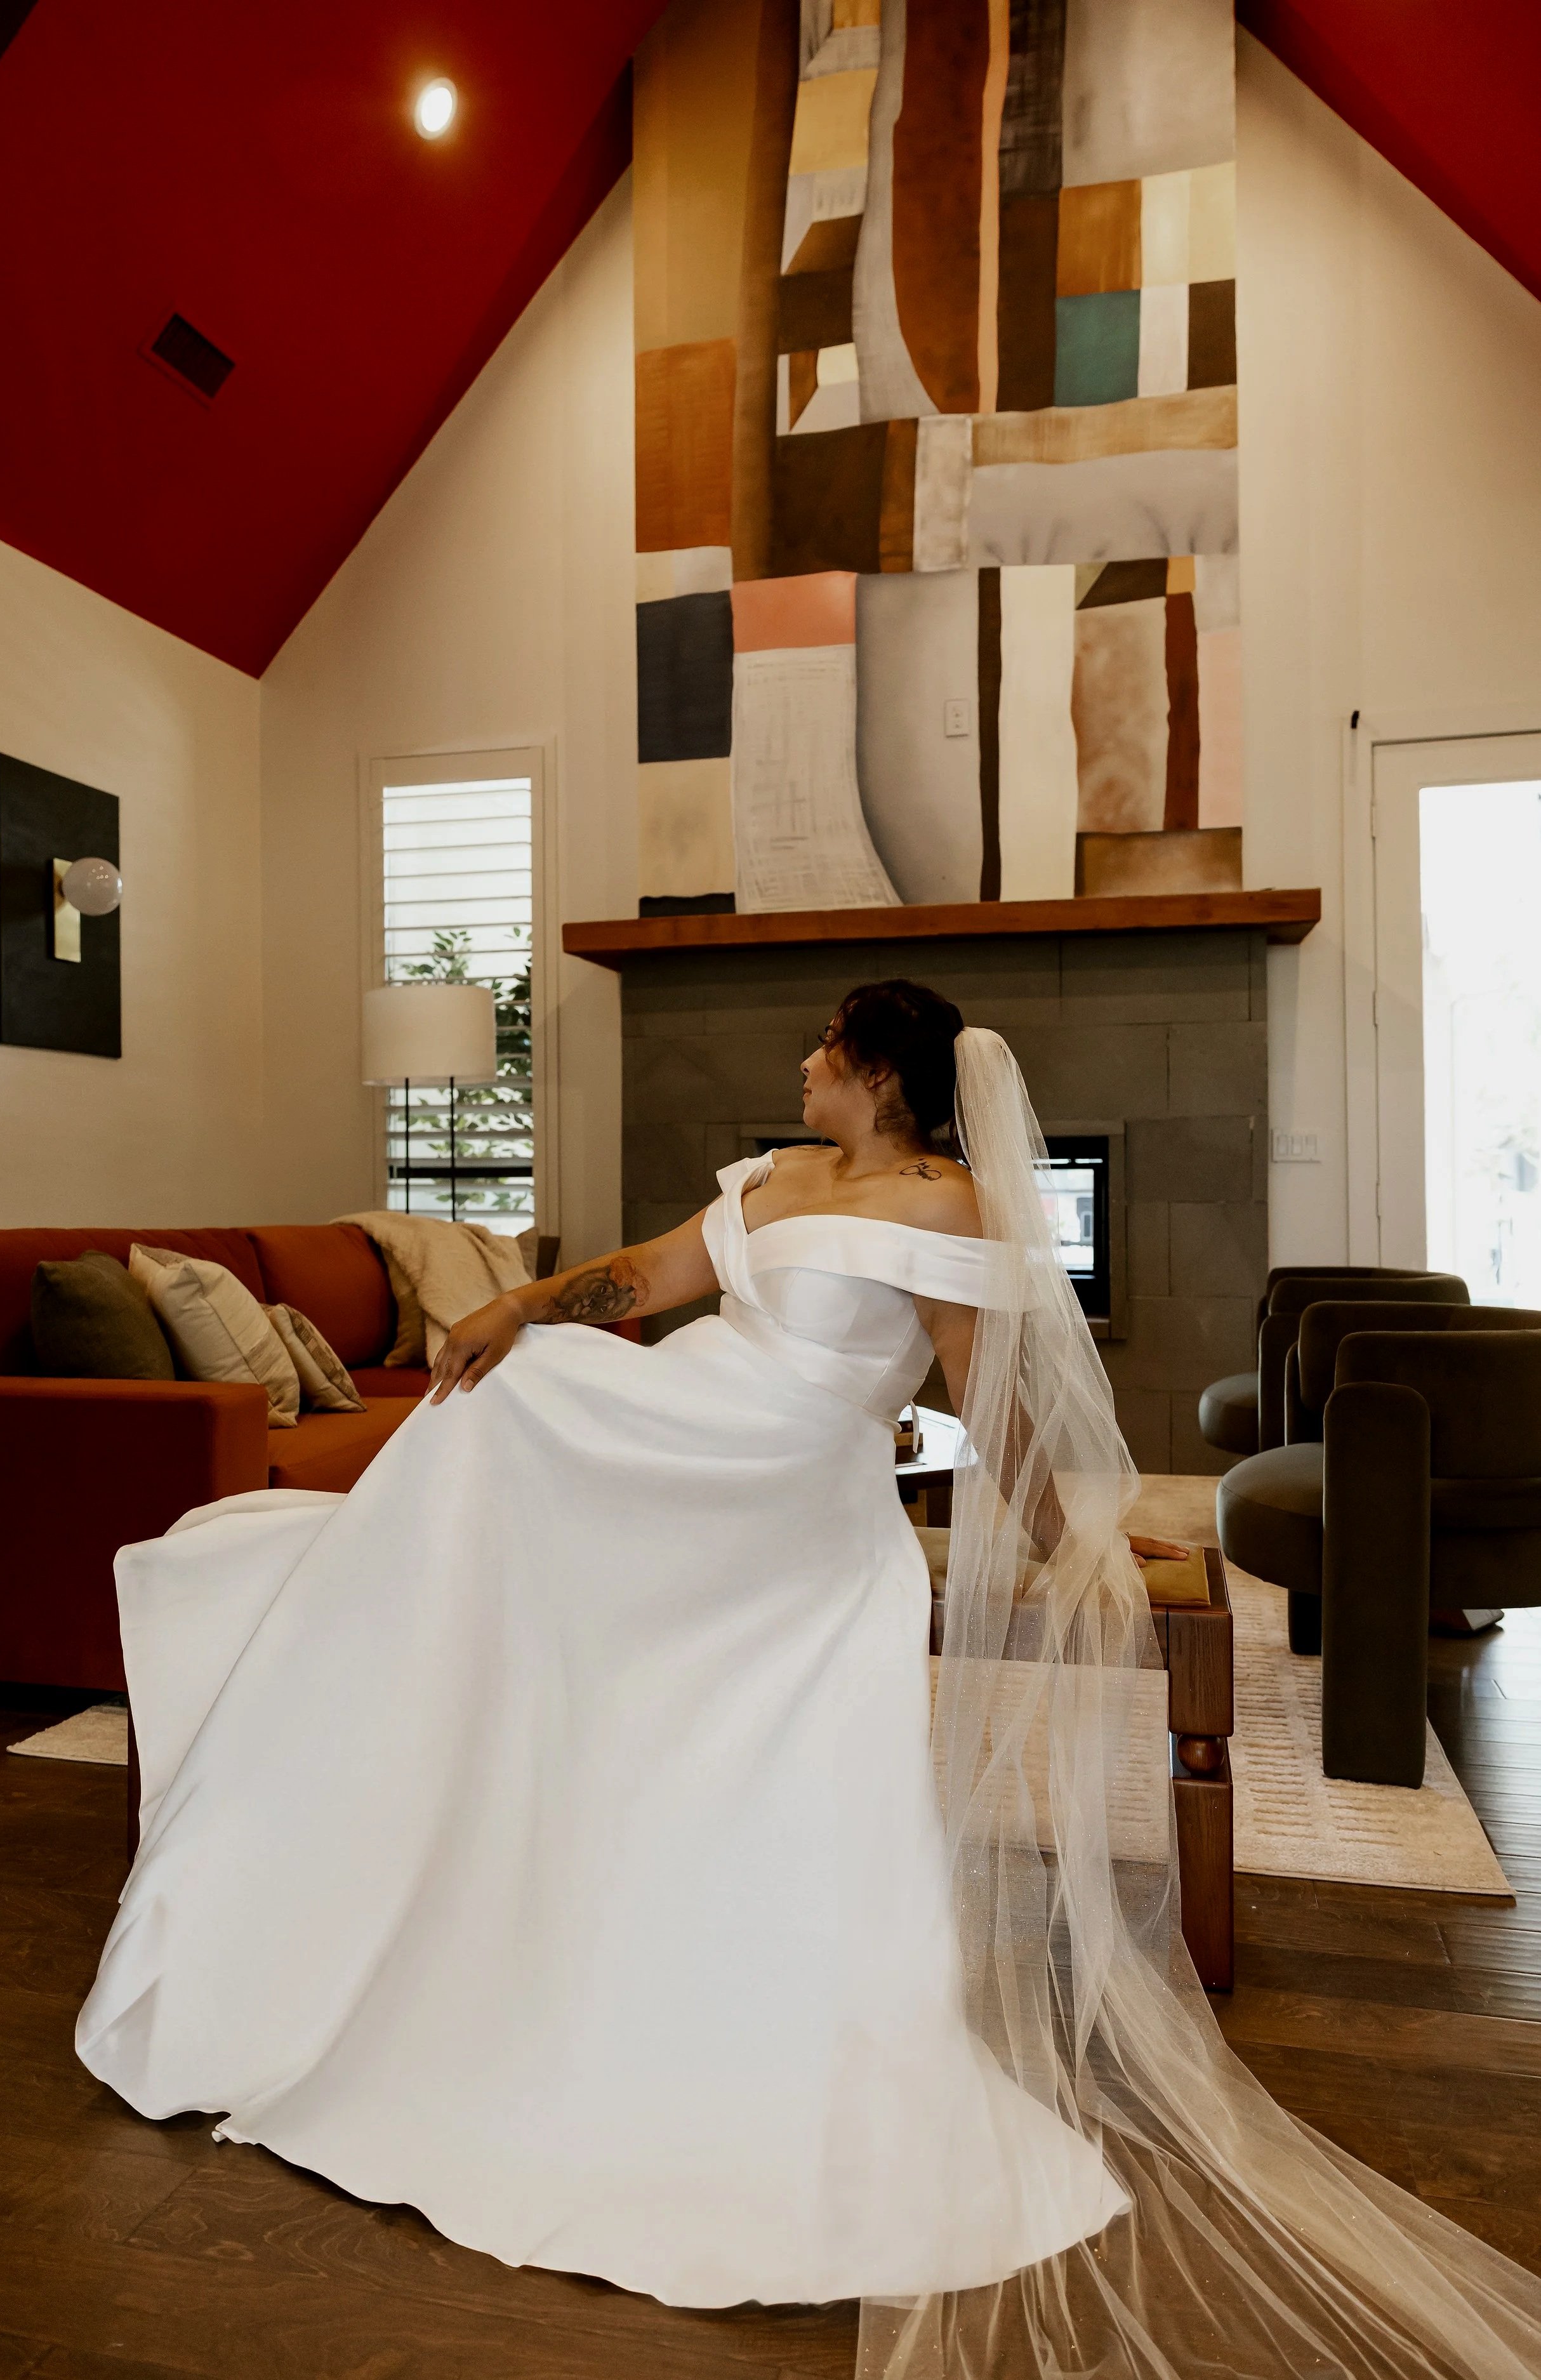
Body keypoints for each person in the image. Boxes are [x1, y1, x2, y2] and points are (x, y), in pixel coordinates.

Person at [78, 982, 1541, 2376]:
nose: (799, 1069)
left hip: (785, 1478)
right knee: (495, 1409)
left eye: (822, 1050)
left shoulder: (951, 1207)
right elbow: (650, 1278)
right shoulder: (772, 1173)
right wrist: (523, 1311)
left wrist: (1067, 1534)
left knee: (555, 1502)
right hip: (682, 1418)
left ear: (881, 1073)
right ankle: (418, 1712)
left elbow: (984, 1394)